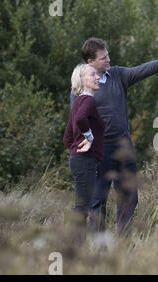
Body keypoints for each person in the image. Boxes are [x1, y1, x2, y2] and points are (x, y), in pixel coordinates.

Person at [70, 37, 158, 236]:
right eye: (102, 58)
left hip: (123, 147)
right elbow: (76, 120)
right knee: (98, 200)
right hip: (99, 151)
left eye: (108, 55)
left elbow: (141, 70)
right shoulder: (81, 87)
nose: (108, 60)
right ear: (90, 61)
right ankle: (100, 245)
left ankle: (124, 240)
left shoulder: (117, 75)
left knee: (129, 196)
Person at [64, 64, 105, 234]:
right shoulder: (88, 100)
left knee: (82, 205)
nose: (98, 77)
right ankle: (75, 247)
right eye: (93, 74)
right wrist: (89, 138)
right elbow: (81, 119)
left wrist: (76, 149)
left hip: (79, 160)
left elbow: (68, 138)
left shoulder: (78, 102)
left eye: (97, 74)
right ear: (82, 80)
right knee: (82, 206)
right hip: (85, 160)